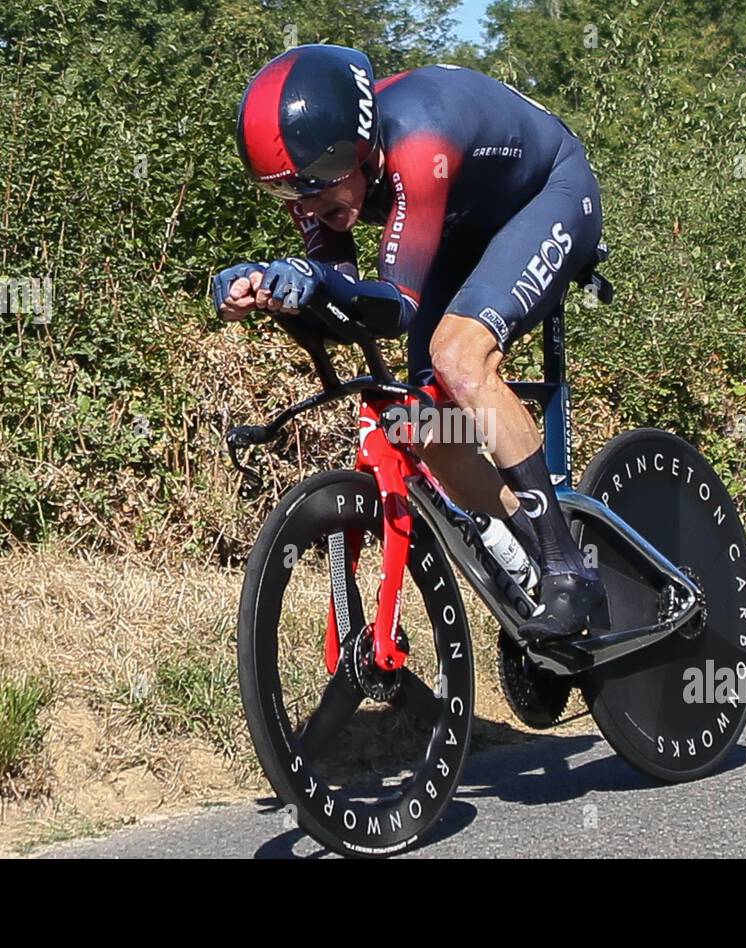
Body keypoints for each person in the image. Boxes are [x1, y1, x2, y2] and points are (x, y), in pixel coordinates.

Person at [213, 44, 605, 639]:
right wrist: (268, 286)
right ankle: (528, 555)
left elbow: (395, 308)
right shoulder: (317, 178)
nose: (311, 205)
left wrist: (318, 279)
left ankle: (567, 569)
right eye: (289, 194)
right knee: (420, 425)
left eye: (319, 185)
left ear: (361, 141)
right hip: (460, 226)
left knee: (458, 357)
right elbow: (345, 291)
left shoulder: (420, 140)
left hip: (547, 194)